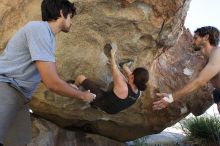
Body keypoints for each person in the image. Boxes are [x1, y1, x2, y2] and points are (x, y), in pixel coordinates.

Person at [0, 0, 96, 146]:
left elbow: (46, 75)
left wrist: (69, 86)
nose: (71, 22)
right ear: (62, 14)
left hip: (20, 97)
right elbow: (52, 82)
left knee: (19, 142)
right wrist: (82, 95)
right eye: (70, 17)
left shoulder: (47, 36)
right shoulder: (39, 29)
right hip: (6, 88)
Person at [153, 26, 220, 113]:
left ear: (206, 38)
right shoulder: (204, 62)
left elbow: (200, 81)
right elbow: (192, 83)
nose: (192, 42)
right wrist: (172, 96)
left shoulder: (217, 53)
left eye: (195, 38)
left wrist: (171, 98)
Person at [72, 45, 149, 114]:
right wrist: (125, 68)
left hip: (103, 102)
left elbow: (114, 68)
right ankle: (124, 66)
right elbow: (131, 77)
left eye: (132, 73)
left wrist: (112, 54)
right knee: (124, 77)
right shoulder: (139, 92)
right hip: (114, 110)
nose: (130, 73)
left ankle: (74, 87)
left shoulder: (122, 85)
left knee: (80, 78)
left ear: (132, 77)